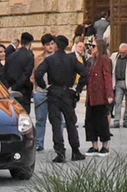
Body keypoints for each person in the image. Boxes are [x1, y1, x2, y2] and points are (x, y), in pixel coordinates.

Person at [33, 34, 87, 163]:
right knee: (70, 123)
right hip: (67, 92)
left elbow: (38, 73)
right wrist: (77, 88)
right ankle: (75, 151)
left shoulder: (50, 60)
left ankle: (60, 152)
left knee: (56, 124)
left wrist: (44, 86)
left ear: (56, 45)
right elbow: (85, 73)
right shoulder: (72, 59)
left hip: (54, 92)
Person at [83, 39, 113, 155]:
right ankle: (94, 145)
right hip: (92, 95)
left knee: (101, 121)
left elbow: (107, 76)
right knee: (90, 120)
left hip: (100, 95)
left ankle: (104, 146)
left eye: (94, 46)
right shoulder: (93, 60)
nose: (92, 48)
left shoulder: (104, 59)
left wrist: (109, 94)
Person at [30, 33, 53, 153]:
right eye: (48, 44)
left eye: (52, 44)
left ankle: (58, 142)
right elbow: (34, 75)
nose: (50, 47)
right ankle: (39, 143)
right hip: (41, 91)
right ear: (44, 46)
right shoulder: (38, 58)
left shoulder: (57, 57)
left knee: (57, 119)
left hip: (54, 91)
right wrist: (34, 90)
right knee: (40, 119)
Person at [4, 32, 35, 115]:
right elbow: (26, 74)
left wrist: (10, 87)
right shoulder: (29, 56)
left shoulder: (11, 56)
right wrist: (15, 86)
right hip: (23, 90)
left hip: (11, 88)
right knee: (24, 115)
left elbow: (5, 72)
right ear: (30, 43)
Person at [111, 42, 127, 128]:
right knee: (117, 101)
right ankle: (116, 121)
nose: (122, 54)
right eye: (120, 52)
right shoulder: (114, 56)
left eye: (123, 52)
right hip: (118, 82)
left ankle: (126, 121)